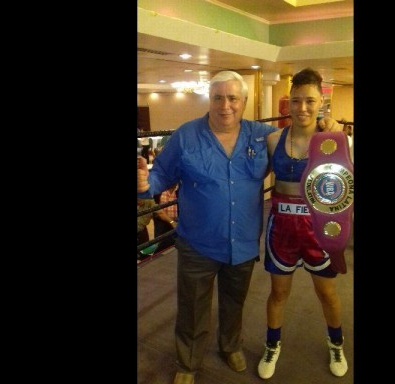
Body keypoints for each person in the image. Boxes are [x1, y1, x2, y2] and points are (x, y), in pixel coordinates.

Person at [137, 70, 343, 384]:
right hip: (198, 243)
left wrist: (326, 126)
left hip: (243, 242)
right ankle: (187, 363)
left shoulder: (262, 135)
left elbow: (301, 135)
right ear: (210, 99)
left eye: (233, 98)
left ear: (244, 101)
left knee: (235, 301)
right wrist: (143, 184)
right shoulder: (186, 135)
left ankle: (230, 345)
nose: (226, 105)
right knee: (192, 307)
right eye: (218, 97)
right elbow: (161, 175)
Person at [257, 68, 349, 379]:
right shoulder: (272, 139)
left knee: (327, 293)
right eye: (296, 101)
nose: (303, 108)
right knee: (278, 293)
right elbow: (253, 178)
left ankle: (336, 342)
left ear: (320, 101)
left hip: (318, 227)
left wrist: (341, 140)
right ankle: (272, 344)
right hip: (281, 226)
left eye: (309, 101)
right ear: (288, 104)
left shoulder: (334, 140)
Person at [152, 183, 179, 252]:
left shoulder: (182, 189)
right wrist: (171, 222)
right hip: (161, 223)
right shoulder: (158, 188)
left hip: (178, 223)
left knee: (176, 248)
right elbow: (156, 208)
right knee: (160, 248)